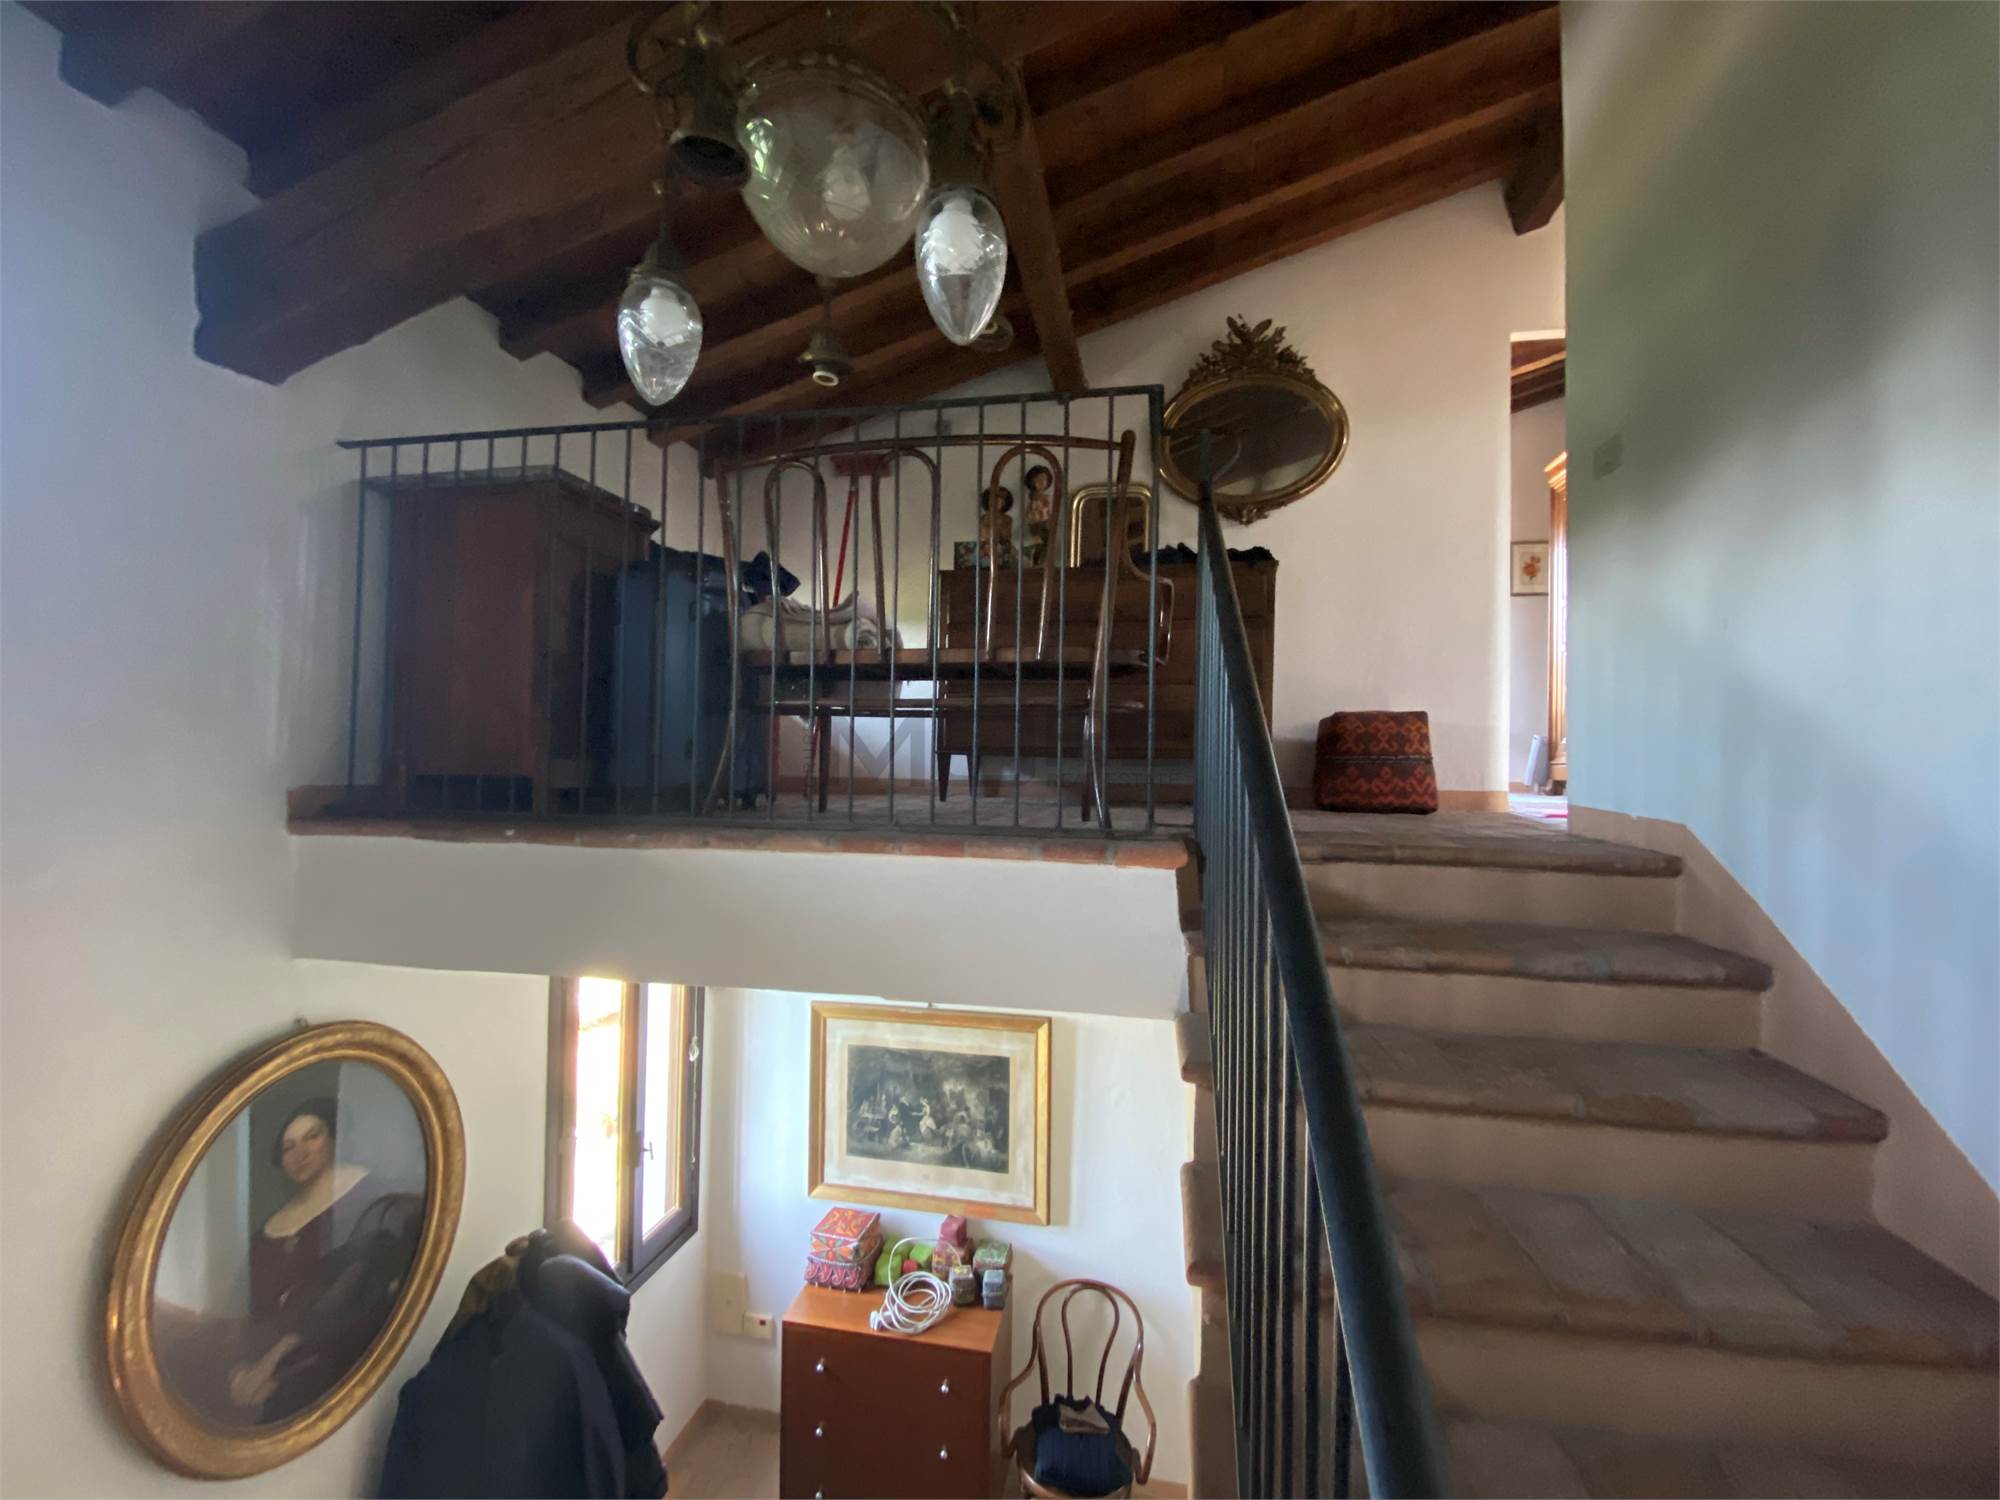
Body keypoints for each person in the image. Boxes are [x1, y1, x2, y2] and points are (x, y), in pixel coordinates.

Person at [226, 1098, 422, 1424]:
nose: (300, 1153)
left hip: (337, 1357)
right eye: (288, 1147)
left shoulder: (374, 1196)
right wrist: (241, 1368)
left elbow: (358, 1286)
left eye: (312, 1136)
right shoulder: (269, 1230)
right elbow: (255, 1309)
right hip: (270, 1366)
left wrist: (276, 1361)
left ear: (333, 1138)